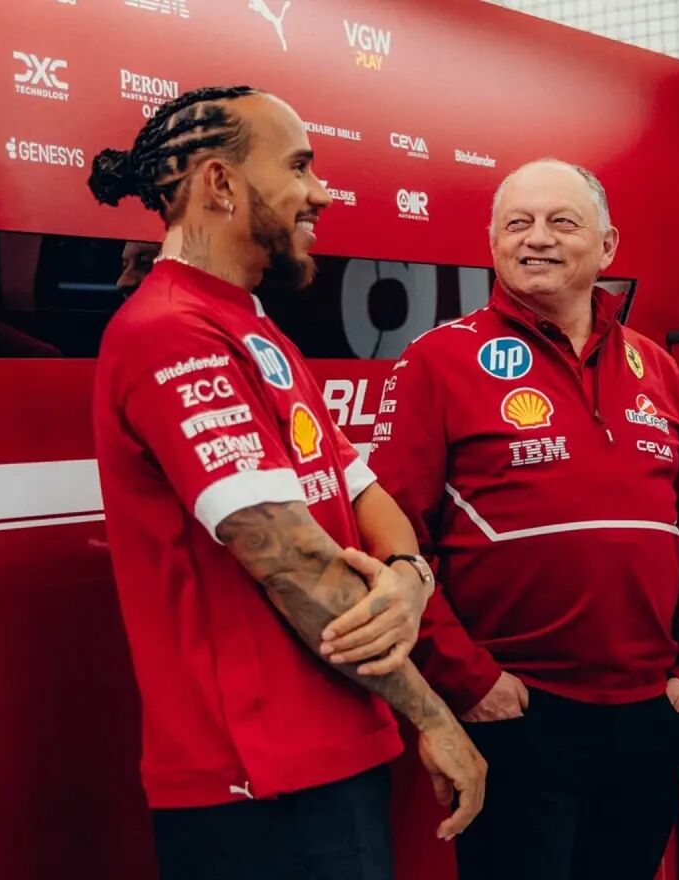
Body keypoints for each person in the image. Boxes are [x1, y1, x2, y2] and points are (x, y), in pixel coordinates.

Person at [87, 84, 485, 880]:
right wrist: (435, 716)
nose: (322, 191)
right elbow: (293, 561)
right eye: (300, 166)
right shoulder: (169, 332)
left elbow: (363, 492)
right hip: (256, 787)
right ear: (220, 183)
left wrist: (409, 576)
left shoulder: (252, 324)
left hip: (331, 759)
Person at [365, 158, 679, 880]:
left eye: (562, 222)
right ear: (492, 242)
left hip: (650, 712)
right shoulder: (438, 362)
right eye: (517, 224)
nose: (538, 240)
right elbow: (392, 542)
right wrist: (470, 682)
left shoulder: (658, 369)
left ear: (608, 245)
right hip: (517, 712)